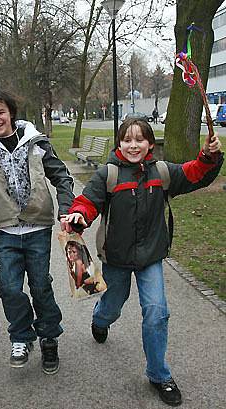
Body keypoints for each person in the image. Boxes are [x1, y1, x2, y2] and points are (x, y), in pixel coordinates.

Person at [61, 118, 223, 406]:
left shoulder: (161, 172)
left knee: (157, 312)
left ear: (150, 144)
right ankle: (100, 320)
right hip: (117, 258)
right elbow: (87, 202)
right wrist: (78, 215)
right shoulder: (108, 174)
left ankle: (159, 375)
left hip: (151, 256)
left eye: (139, 139)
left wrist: (209, 156)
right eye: (127, 139)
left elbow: (195, 172)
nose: (133, 145)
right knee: (112, 306)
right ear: (119, 143)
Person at [0, 88, 75, 375]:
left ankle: (48, 337)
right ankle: (21, 337)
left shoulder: (36, 142)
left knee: (39, 285)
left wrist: (66, 208)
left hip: (38, 228)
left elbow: (61, 175)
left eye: (0, 112)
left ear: (11, 112)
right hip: (8, 231)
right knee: (9, 287)